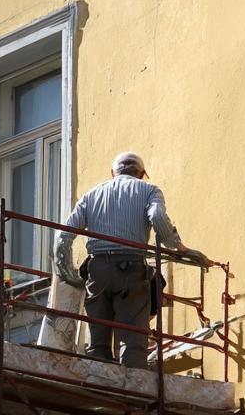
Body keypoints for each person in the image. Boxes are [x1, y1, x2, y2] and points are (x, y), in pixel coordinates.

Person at [54, 152, 206, 368]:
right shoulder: (149, 190)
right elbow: (157, 217)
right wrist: (180, 248)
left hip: (97, 271)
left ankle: (100, 385)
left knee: (97, 341)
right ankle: (130, 394)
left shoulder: (92, 195)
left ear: (113, 173)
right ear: (142, 174)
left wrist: (66, 271)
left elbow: (63, 235)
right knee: (132, 340)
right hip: (131, 270)